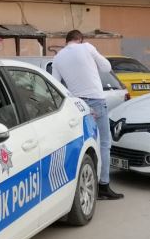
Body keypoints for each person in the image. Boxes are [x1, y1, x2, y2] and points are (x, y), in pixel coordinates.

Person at [52, 30, 124, 200]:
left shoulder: (58, 58)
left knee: (84, 145)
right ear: (80, 39)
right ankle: (104, 185)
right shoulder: (87, 47)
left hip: (77, 105)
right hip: (96, 102)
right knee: (104, 144)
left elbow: (56, 83)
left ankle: (83, 185)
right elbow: (107, 67)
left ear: (66, 41)